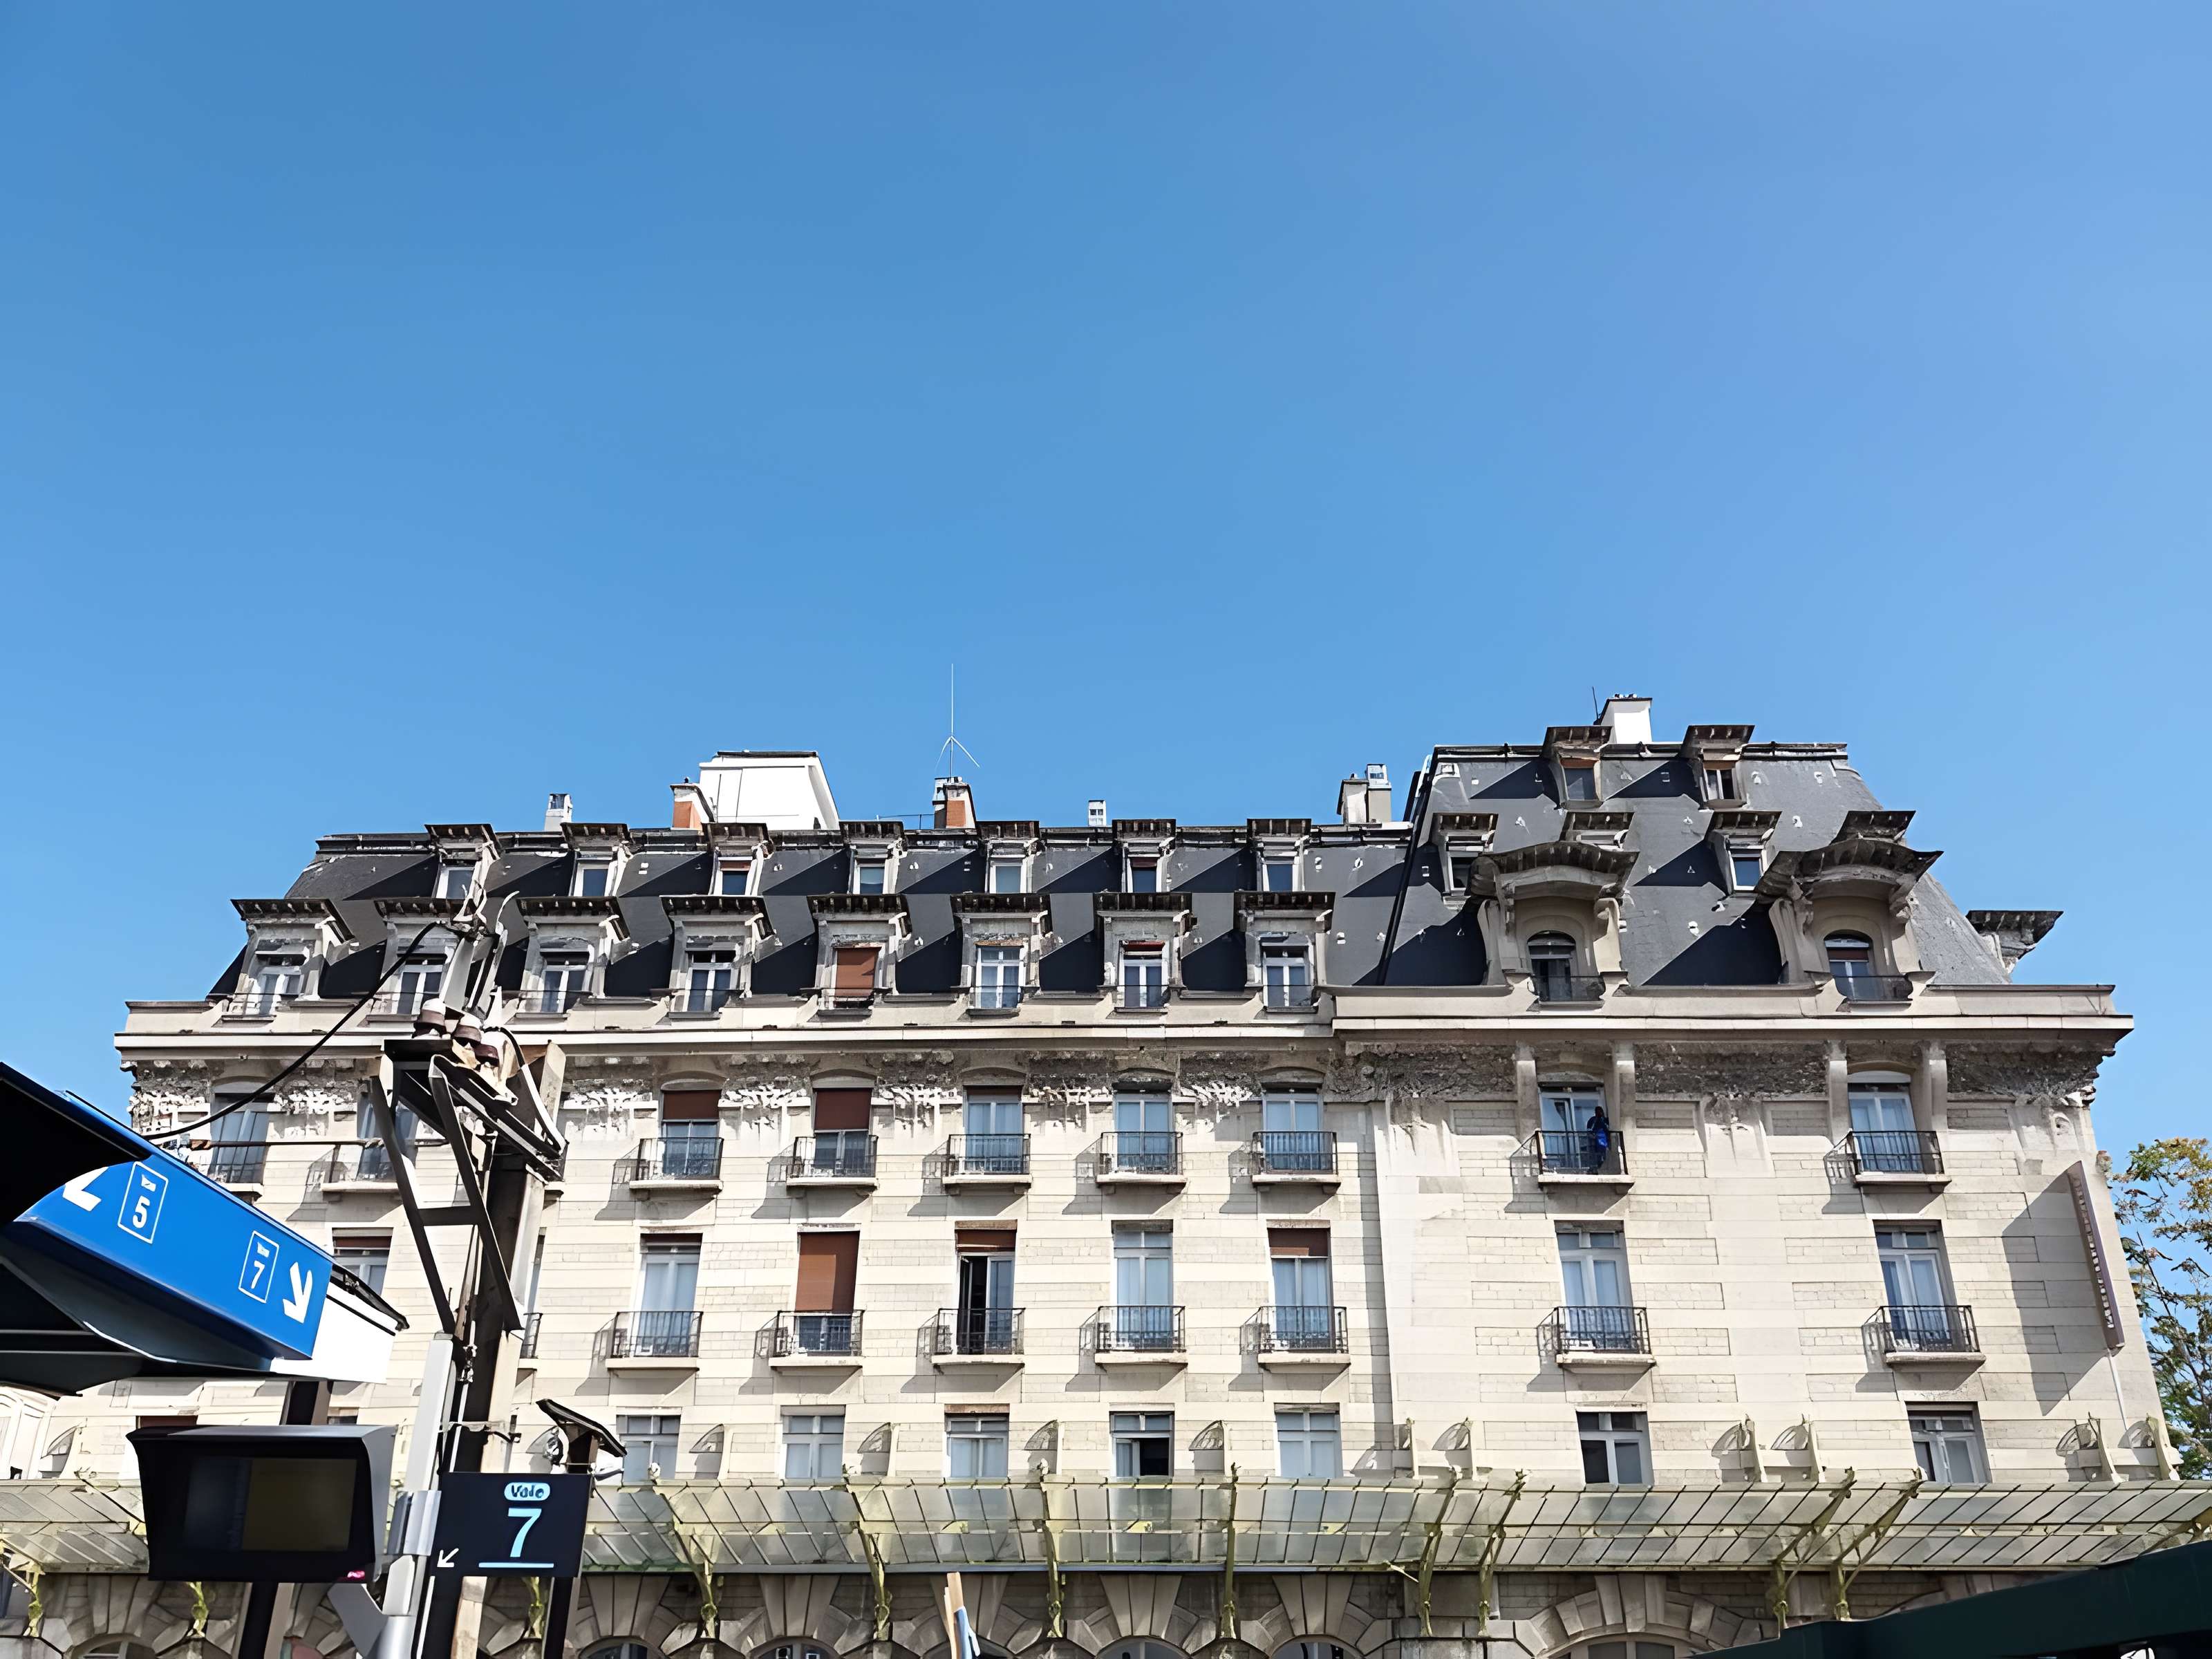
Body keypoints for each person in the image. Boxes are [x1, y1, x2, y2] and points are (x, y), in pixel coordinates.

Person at [1584, 1101, 1612, 1174]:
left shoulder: (1605, 1120)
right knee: (1597, 1155)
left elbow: (1609, 1129)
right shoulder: (1593, 1120)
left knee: (1604, 1154)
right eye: (1598, 1112)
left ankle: (1603, 1165)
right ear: (1596, 1112)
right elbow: (1589, 1130)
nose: (1600, 1113)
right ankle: (1596, 1167)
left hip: (1604, 1140)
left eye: (1601, 1111)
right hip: (1596, 1141)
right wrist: (1593, 1136)